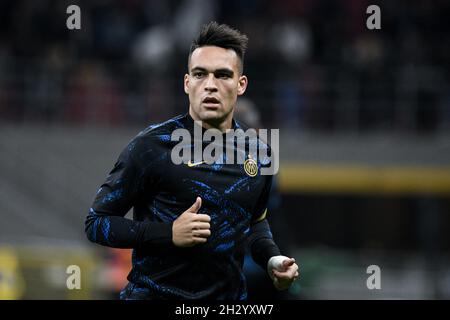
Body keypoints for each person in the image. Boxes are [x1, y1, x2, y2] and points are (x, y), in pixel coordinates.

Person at [85, 21, 298, 300]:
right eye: (200, 74)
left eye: (223, 75)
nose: (210, 85)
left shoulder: (260, 153)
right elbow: (97, 224)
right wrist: (168, 232)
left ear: (241, 84)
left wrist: (271, 259)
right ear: (187, 83)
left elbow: (256, 224)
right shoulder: (151, 146)